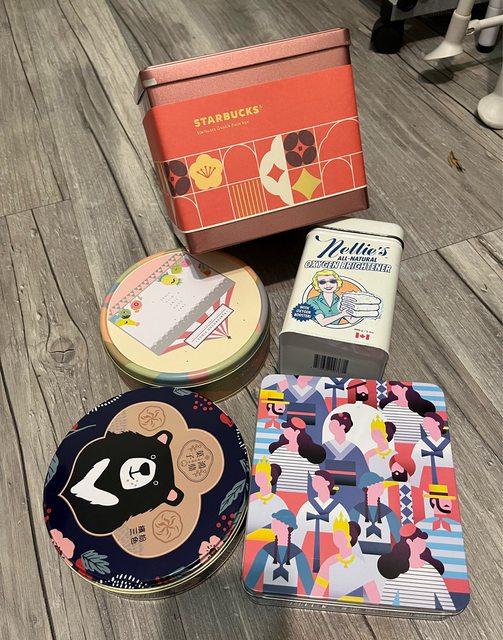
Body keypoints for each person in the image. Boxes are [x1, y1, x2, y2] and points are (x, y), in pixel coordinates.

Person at [378, 524, 455, 611]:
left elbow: (446, 601)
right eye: (420, 539)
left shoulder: (431, 569)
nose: (424, 542)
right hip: (404, 611)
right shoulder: (398, 570)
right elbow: (386, 600)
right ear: (409, 542)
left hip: (428, 611)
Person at [311, 514, 379, 604]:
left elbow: (375, 598)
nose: (336, 538)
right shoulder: (329, 563)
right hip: (333, 608)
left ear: (349, 537)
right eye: (335, 534)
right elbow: (316, 593)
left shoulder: (360, 565)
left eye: (339, 535)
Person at [244, 509, 314, 596]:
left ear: (287, 526)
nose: (273, 525)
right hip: (266, 594)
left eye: (277, 521)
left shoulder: (298, 554)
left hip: (291, 597)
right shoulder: (266, 550)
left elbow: (309, 586)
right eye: (273, 522)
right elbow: (250, 581)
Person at [350, 471, 401, 589]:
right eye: (377, 484)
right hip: (359, 560)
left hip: (382, 562)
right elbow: (348, 537)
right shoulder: (356, 511)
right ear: (367, 488)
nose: (381, 486)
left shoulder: (388, 513)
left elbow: (398, 537)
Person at [295, 471, 349, 572]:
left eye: (318, 479)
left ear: (327, 483)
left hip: (332, 549)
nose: (314, 482)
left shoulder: (339, 509)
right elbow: (298, 532)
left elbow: (346, 534)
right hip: (307, 549)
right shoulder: (307, 506)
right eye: (314, 480)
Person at [416, 484, 468, 587]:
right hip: (426, 581)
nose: (448, 503)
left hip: (456, 581)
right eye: (444, 499)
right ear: (434, 501)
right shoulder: (421, 526)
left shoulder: (456, 526)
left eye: (449, 500)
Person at [322, 412, 368, 511]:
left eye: (334, 424)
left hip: (351, 494)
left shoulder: (354, 450)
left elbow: (363, 474)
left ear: (342, 426)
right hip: (329, 492)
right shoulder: (325, 448)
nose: (331, 426)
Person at [268, 418, 326, 493]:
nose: (285, 431)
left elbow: (316, 476)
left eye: (288, 428)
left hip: (301, 495)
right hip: (280, 493)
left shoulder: (307, 453)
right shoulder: (279, 450)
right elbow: (268, 470)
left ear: (297, 432)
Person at [246, 457, 287, 541]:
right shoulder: (252, 498)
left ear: (270, 477)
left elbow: (284, 526)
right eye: (257, 475)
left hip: (272, 540)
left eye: (262, 475)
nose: (258, 478)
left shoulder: (278, 502)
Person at [411, 413, 452, 485]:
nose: (427, 426)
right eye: (425, 424)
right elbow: (415, 465)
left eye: (429, 423)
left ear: (437, 423)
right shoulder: (421, 444)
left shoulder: (447, 445)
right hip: (424, 481)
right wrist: (415, 484)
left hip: (446, 480)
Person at [254, 389, 289, 464]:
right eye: (279, 404)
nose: (282, 407)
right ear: (270, 405)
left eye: (283, 404)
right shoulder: (259, 423)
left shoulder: (286, 426)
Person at [387, 452, 417, 525]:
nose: (395, 474)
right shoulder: (389, 491)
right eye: (393, 472)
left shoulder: (417, 492)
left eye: (398, 471)